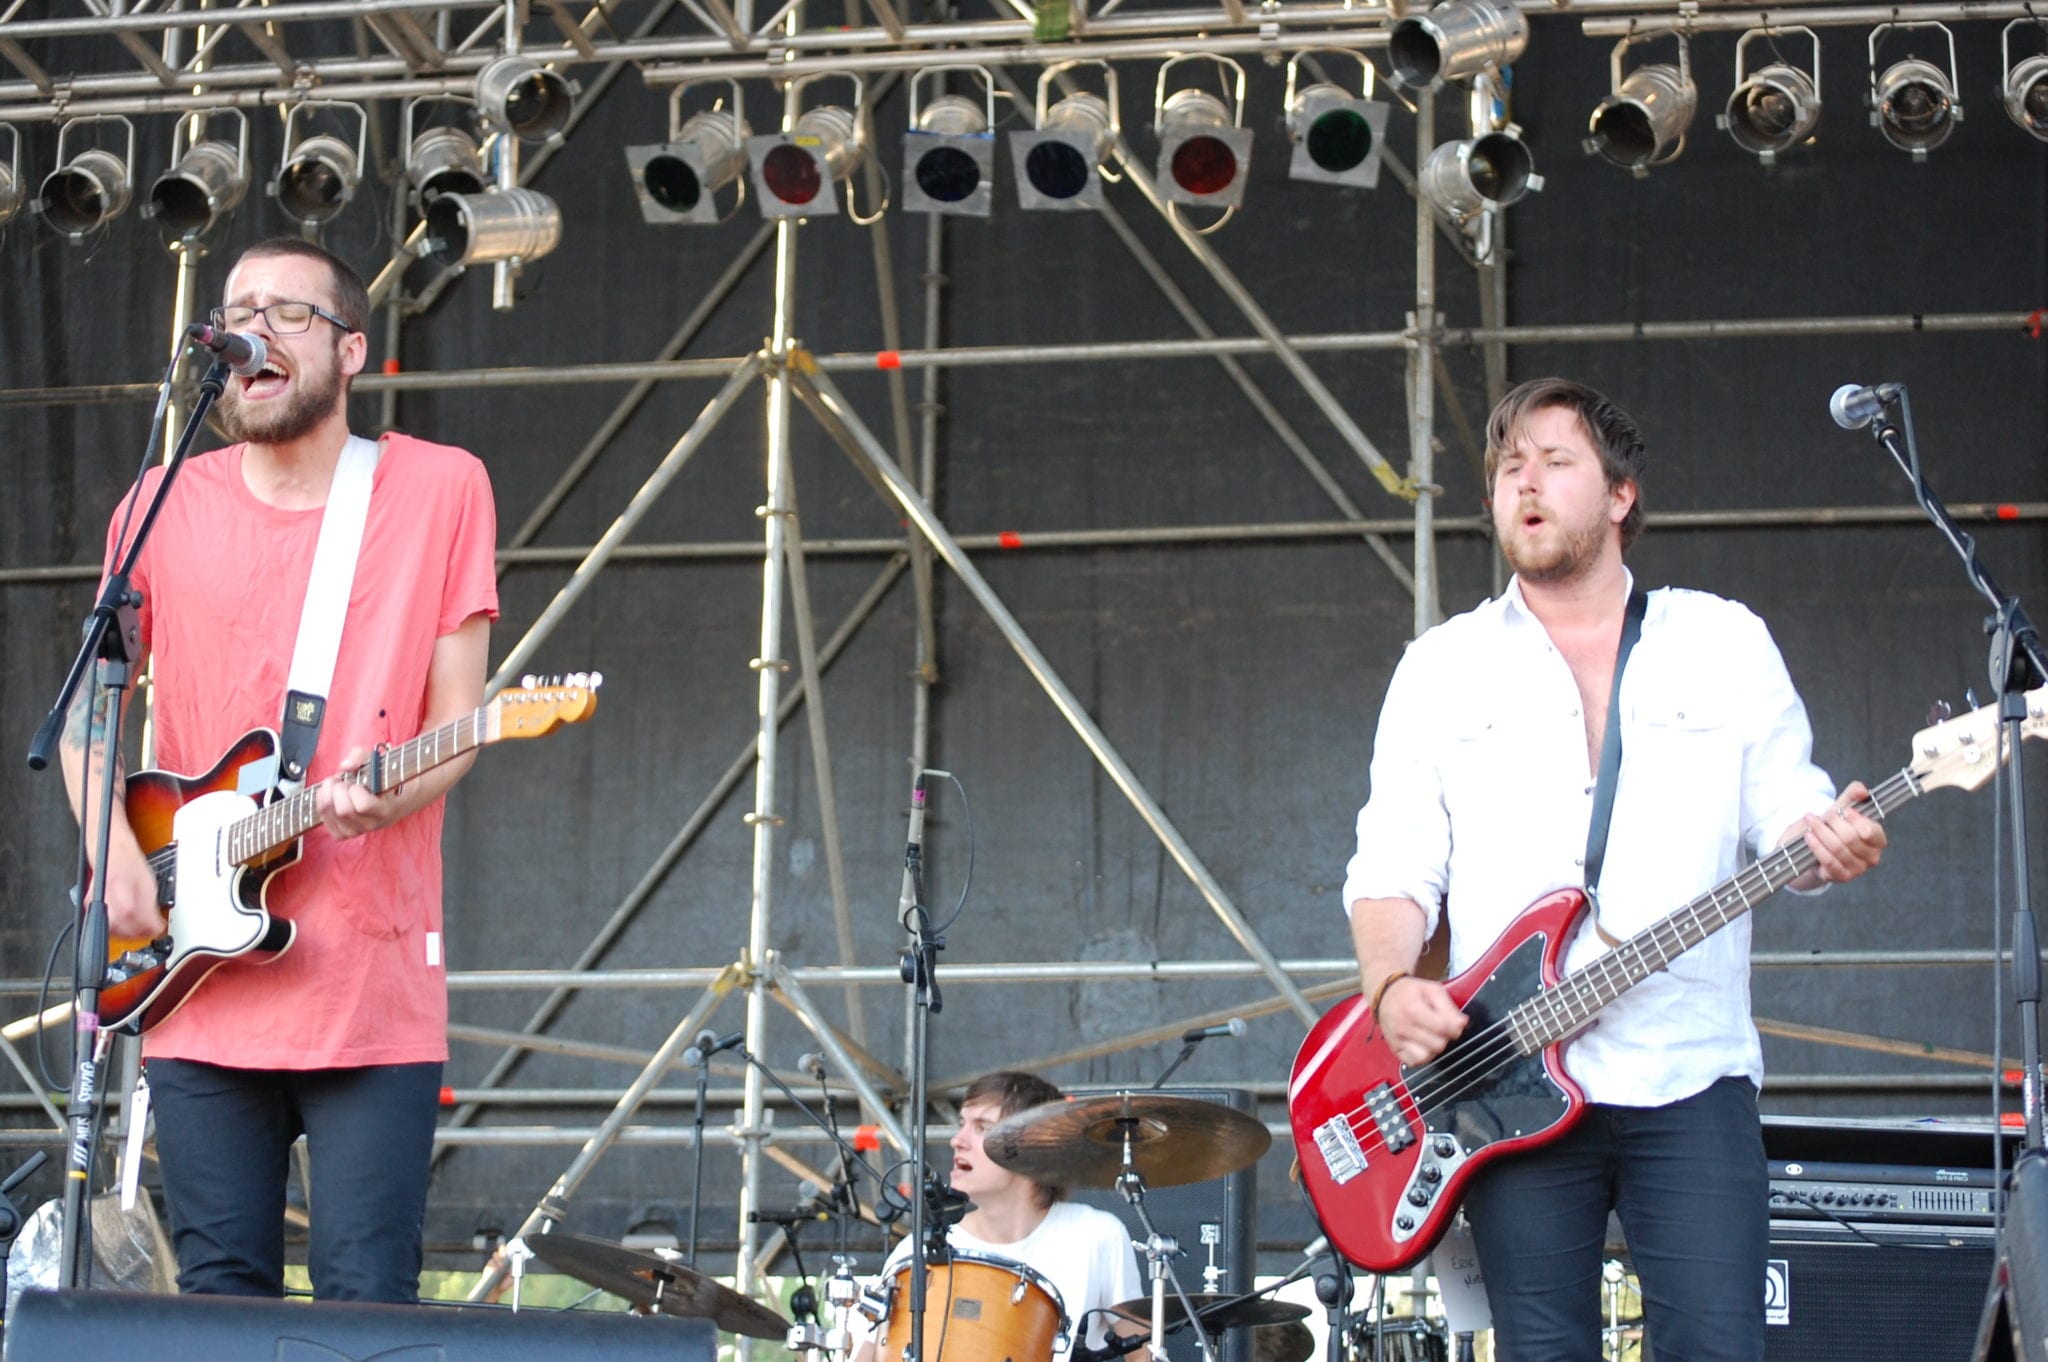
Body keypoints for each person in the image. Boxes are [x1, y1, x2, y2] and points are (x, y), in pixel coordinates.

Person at [1342, 378, 1888, 1362]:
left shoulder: (1720, 641)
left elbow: (1785, 815)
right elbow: (1392, 860)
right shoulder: (1441, 666)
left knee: (1717, 1349)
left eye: (1556, 462)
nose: (1525, 483)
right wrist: (1388, 987)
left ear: (1620, 495)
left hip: (1688, 1073)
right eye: (1508, 467)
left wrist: (1826, 843)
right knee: (1542, 1351)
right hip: (1504, 1083)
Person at [60, 237, 499, 1302]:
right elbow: (84, 714)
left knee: (366, 1292)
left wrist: (384, 796)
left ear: (351, 350)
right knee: (220, 1294)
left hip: (368, 982)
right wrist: (118, 858)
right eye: (237, 311)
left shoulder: (437, 488)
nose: (254, 330)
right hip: (196, 974)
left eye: (289, 313)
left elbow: (461, 724)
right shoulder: (159, 501)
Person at [855, 1072, 1149, 1362]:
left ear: (1034, 1145)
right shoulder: (917, 1252)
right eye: (962, 1125)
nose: (957, 1140)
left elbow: (1144, 1355)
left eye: (982, 1127)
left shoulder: (1096, 1235)